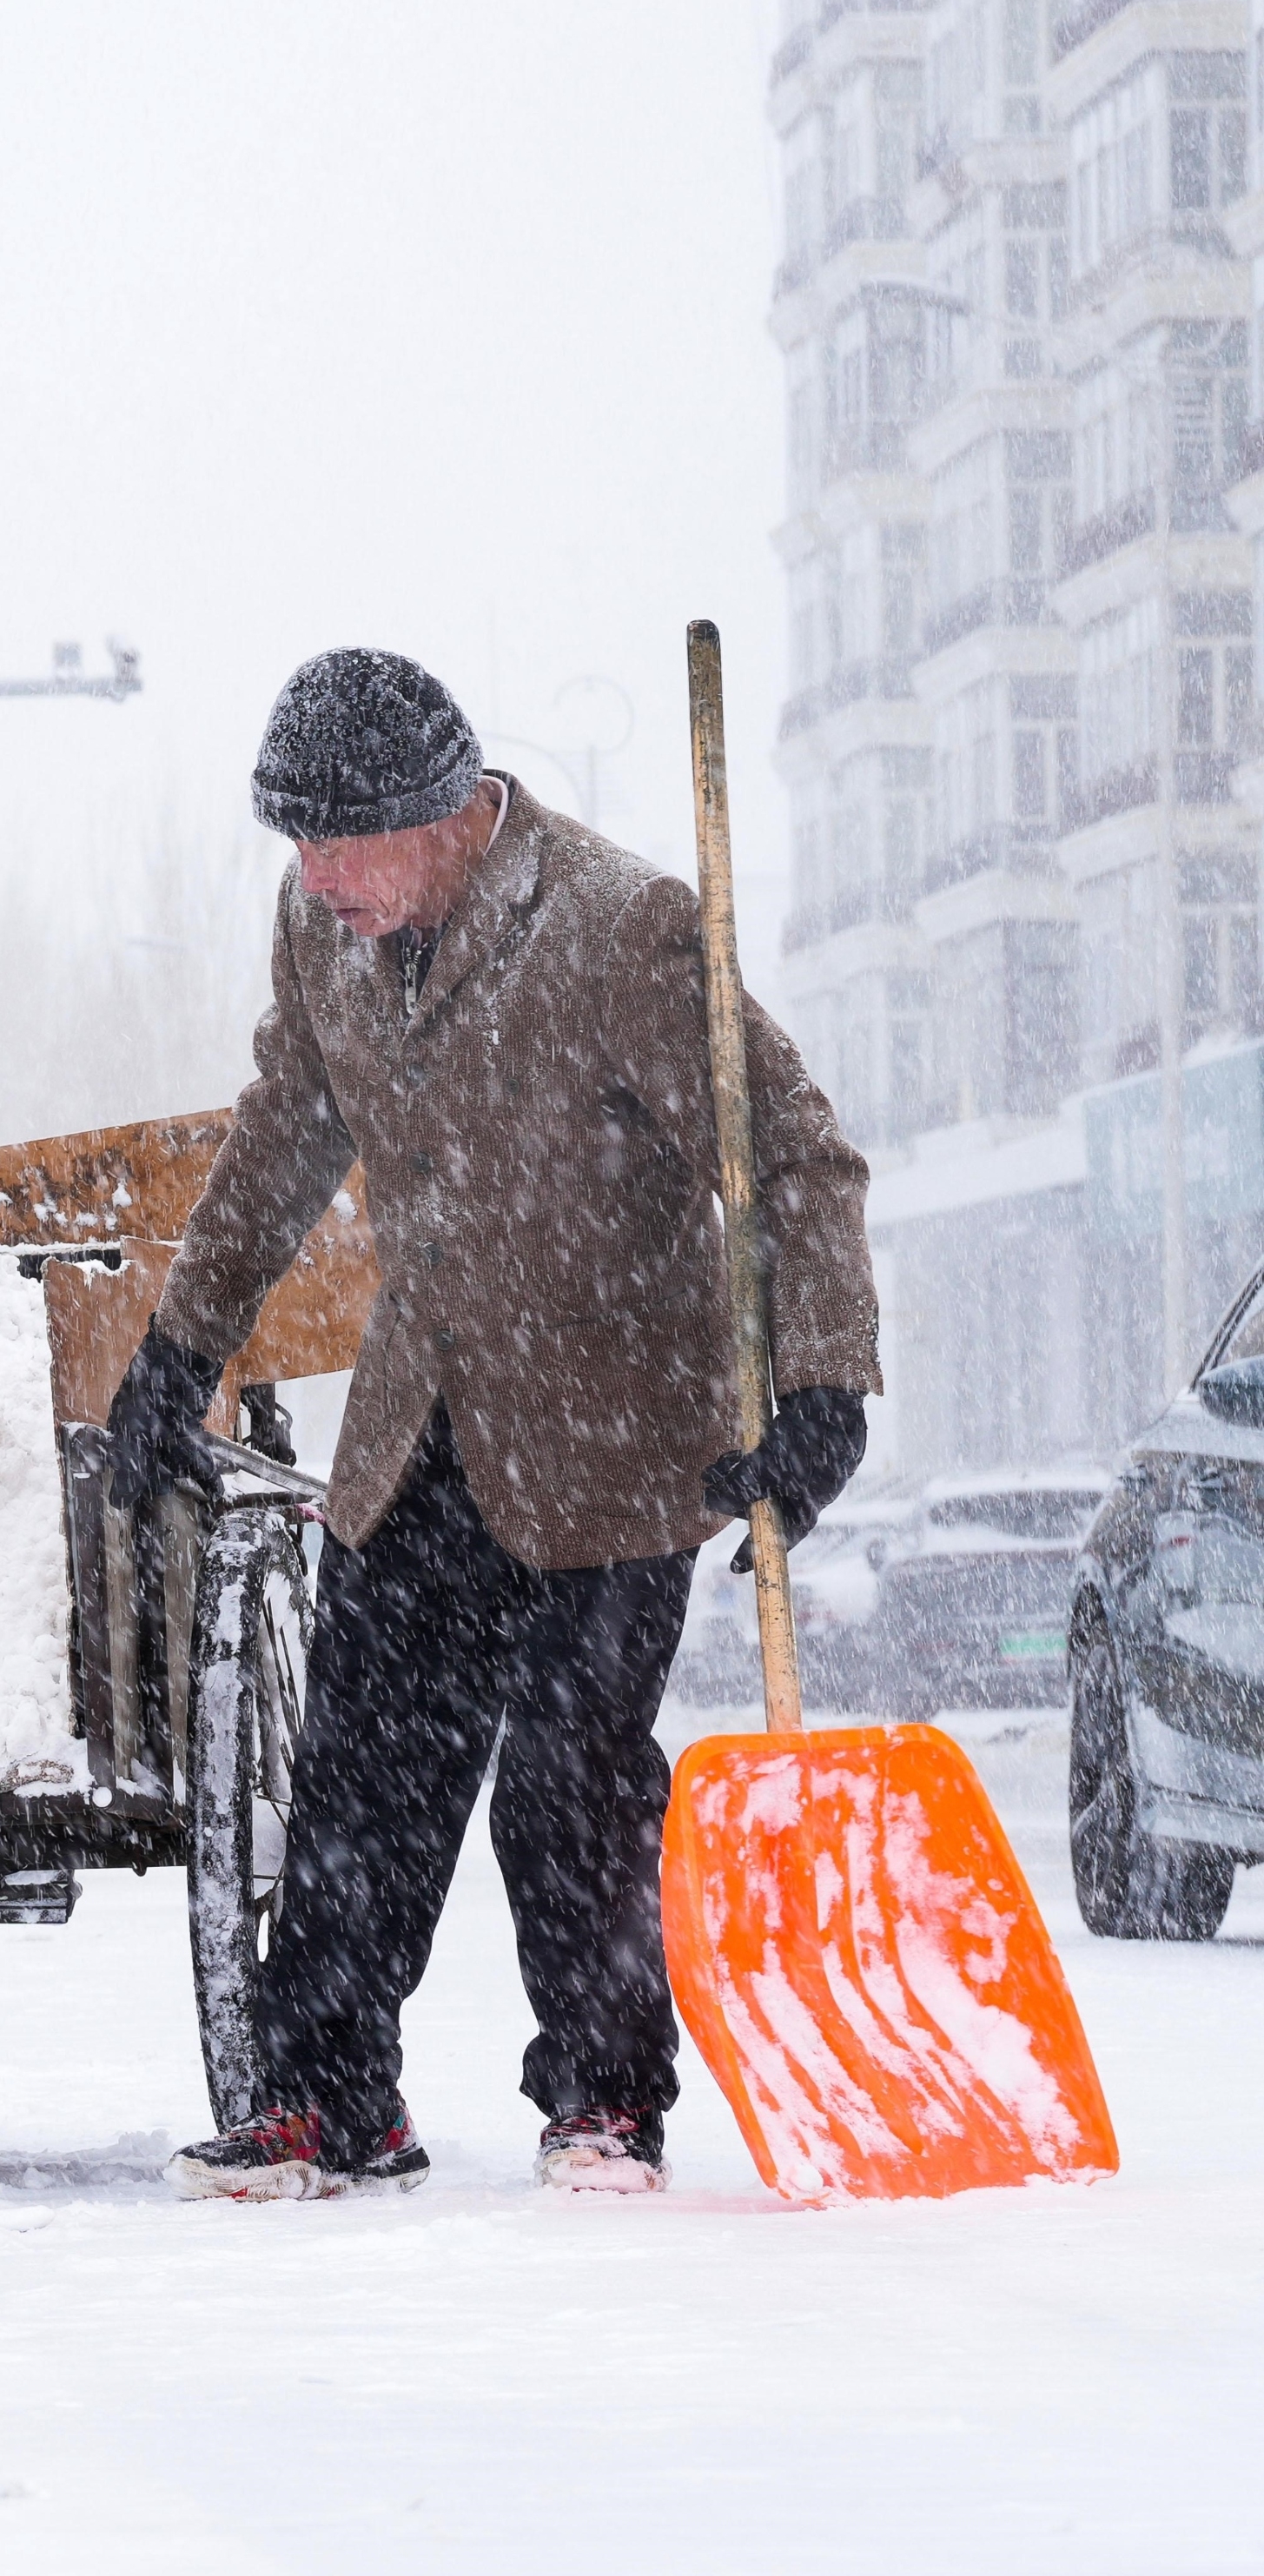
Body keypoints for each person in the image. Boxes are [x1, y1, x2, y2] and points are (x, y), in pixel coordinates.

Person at [106, 647, 877, 2201]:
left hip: (614, 1433)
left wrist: (825, 1387)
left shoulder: (621, 929)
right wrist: (178, 1348)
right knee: (360, 1774)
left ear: (446, 811)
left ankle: (604, 2101)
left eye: (342, 842)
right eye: (296, 846)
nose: (316, 878)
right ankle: (332, 2101)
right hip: (422, 1420)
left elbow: (791, 1156)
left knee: (569, 1774)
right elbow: (281, 1132)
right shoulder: (325, 935)